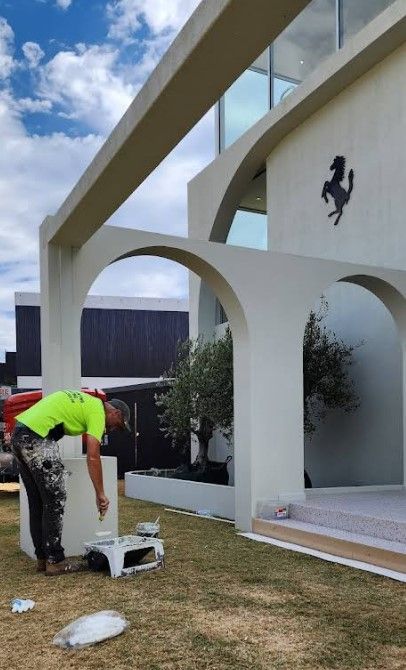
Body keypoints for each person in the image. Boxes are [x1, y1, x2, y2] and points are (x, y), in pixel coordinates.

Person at [10, 390, 130, 576]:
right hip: (36, 436)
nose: (113, 429)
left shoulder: (87, 403)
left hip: (19, 434)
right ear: (116, 413)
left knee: (38, 501)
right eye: (118, 425)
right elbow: (93, 456)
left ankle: (43, 559)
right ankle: (55, 560)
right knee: (54, 498)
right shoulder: (97, 411)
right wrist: (100, 494)